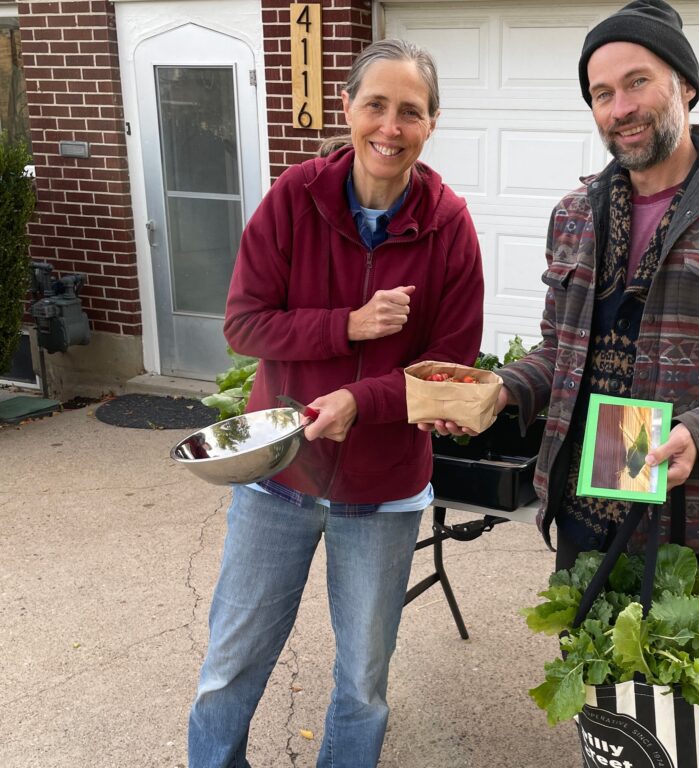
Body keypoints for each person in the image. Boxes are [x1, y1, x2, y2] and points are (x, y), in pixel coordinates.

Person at [423, 0, 699, 585]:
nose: (620, 108)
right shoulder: (573, 213)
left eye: (637, 82)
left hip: (692, 516)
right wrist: (499, 391)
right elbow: (558, 354)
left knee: (681, 675)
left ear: (686, 86)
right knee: (587, 669)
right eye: (601, 93)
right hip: (583, 502)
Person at [188, 39, 484, 768]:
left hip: (383, 493)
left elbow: (449, 370)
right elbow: (243, 323)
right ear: (347, 108)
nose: (390, 125)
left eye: (409, 111)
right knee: (231, 667)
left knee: (362, 683)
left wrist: (359, 397)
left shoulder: (450, 228)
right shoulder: (295, 201)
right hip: (278, 478)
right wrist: (346, 325)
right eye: (375, 105)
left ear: (432, 123)